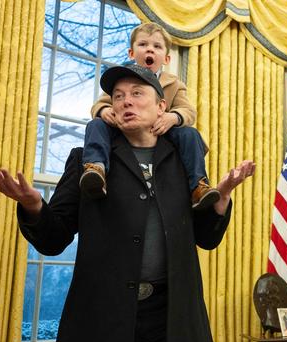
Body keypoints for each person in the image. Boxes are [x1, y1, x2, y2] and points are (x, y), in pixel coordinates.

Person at [0, 64, 255, 342]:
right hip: (100, 323)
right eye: (118, 95)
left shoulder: (183, 163)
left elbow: (207, 238)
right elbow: (53, 239)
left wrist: (224, 195)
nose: (126, 101)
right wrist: (34, 206)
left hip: (171, 324)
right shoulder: (87, 160)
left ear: (162, 106)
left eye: (137, 94)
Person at [82, 22, 219, 211]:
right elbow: (100, 104)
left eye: (157, 46)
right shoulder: (122, 81)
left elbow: (188, 111)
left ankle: (198, 185)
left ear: (167, 58)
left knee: (190, 134)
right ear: (131, 53)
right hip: (125, 130)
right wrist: (104, 111)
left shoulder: (174, 83)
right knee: (96, 125)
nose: (150, 50)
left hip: (161, 131)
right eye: (143, 44)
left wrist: (173, 117)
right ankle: (95, 168)